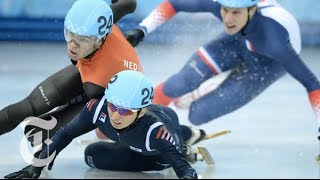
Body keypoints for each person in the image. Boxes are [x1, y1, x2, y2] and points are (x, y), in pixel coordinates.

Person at [124, 0, 320, 139]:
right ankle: (133, 123)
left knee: (197, 115)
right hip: (237, 40)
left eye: (236, 12)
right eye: (225, 10)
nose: (227, 18)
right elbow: (174, 3)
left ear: (252, 10)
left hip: (267, 65)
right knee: (180, 83)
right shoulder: (221, 7)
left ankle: (209, 87)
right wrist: (143, 29)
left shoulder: (275, 42)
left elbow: (312, 84)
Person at [4, 70, 202, 179]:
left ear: (141, 112)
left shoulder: (156, 133)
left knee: (168, 153)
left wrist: (184, 168)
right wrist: (37, 165)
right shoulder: (97, 108)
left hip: (161, 138)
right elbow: (65, 133)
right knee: (91, 155)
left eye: (125, 110)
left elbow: (185, 172)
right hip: (135, 137)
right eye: (113, 106)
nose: (116, 115)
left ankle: (183, 141)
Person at [0, 0, 140, 142]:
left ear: (99, 41)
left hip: (104, 90)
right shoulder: (99, 19)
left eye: (82, 39)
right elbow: (129, 3)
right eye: (70, 34)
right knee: (27, 107)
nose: (72, 45)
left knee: (36, 133)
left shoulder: (96, 84)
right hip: (98, 66)